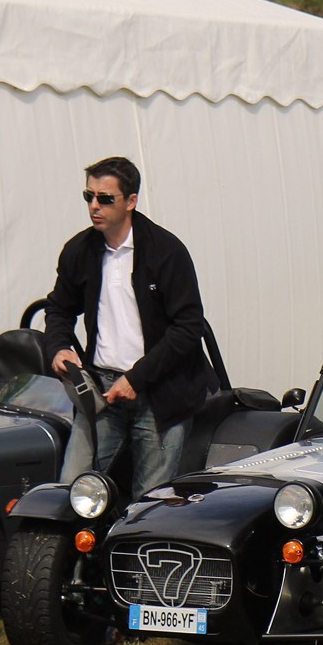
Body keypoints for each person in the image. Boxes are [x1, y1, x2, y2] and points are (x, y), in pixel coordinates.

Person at [45, 156, 216, 498]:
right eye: (88, 196)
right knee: (72, 490)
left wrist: (136, 379)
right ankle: (74, 549)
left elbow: (188, 326)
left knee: (148, 503)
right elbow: (59, 307)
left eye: (105, 198)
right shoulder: (80, 250)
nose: (94, 206)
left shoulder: (166, 251)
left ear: (131, 201)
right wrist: (59, 346)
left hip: (161, 391)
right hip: (102, 388)